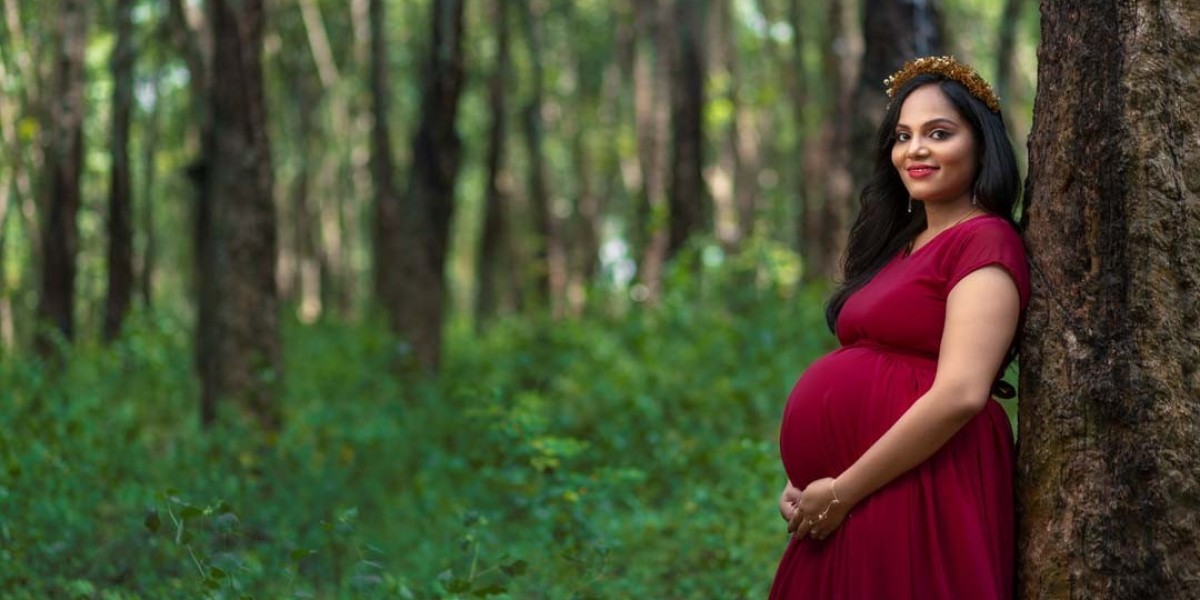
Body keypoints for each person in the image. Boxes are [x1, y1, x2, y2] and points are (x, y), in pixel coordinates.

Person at [769, 56, 1029, 599]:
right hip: (857, 492)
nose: (916, 149)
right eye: (903, 135)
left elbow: (960, 392)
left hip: (924, 482)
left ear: (981, 144)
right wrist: (812, 481)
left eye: (939, 133)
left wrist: (842, 488)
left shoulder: (986, 240)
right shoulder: (899, 248)